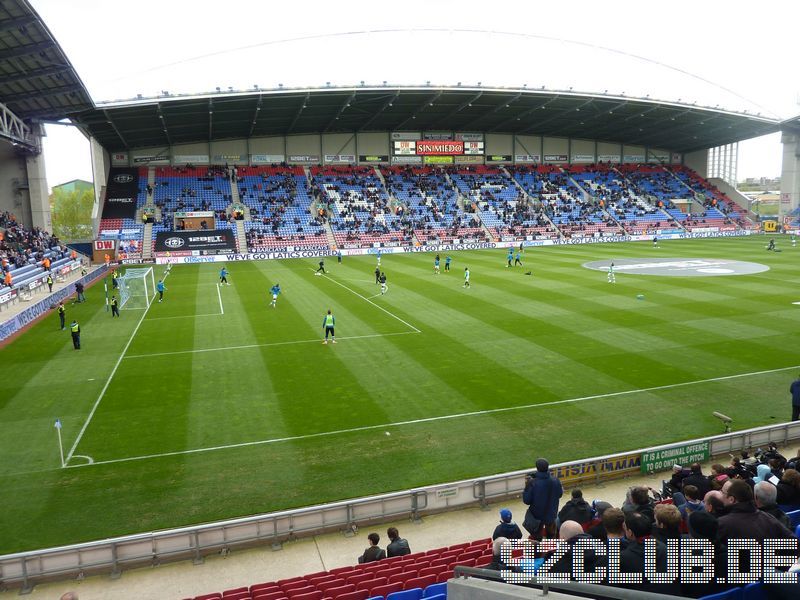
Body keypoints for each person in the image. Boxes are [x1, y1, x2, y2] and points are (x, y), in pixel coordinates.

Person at [717, 479, 794, 542]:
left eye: (722, 492)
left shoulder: (722, 524)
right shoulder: (767, 517)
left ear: (731, 499)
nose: (720, 495)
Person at [522, 458, 563, 539]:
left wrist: (527, 487)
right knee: (551, 538)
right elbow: (560, 494)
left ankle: (539, 550)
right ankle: (551, 550)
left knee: (537, 538)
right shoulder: (555, 480)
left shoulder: (532, 483)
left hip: (537, 517)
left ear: (537, 468)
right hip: (551, 514)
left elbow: (526, 500)